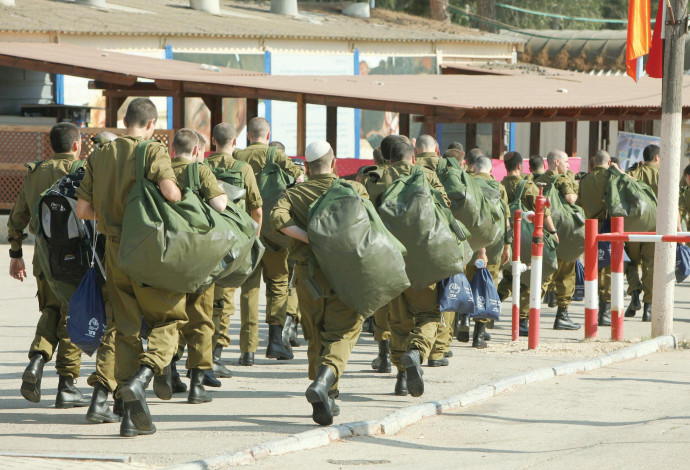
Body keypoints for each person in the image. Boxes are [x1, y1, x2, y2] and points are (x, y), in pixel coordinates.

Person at [75, 97, 187, 437]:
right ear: (151, 124)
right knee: (169, 318)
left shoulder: (100, 154)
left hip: (114, 252)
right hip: (147, 251)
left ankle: (127, 415)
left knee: (124, 328)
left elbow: (83, 211)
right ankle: (143, 378)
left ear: (126, 121)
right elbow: (172, 193)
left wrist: (110, 218)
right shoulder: (152, 151)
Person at [271, 140, 368, 426]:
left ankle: (327, 395)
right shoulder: (353, 189)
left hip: (308, 277)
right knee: (344, 333)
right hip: (345, 275)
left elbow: (277, 219)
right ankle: (325, 384)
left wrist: (309, 237)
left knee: (315, 334)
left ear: (308, 167)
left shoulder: (295, 193)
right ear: (334, 162)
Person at [8, 122, 91, 409]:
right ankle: (67, 385)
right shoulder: (82, 170)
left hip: (42, 258)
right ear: (77, 145)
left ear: (50, 146)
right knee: (72, 318)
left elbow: (18, 216)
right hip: (75, 260)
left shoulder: (36, 172)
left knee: (51, 311)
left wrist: (15, 254)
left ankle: (37, 361)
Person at [378, 141, 450, 397]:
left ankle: (400, 378)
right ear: (414, 156)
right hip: (425, 262)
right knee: (429, 315)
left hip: (390, 261)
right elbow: (445, 208)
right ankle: (416, 352)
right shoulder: (427, 176)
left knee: (397, 321)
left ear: (389, 160)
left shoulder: (376, 178)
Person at [233, 117, 304, 365]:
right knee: (278, 286)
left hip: (248, 233)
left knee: (249, 290)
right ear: (268, 133)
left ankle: (247, 350)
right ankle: (275, 342)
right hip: (277, 234)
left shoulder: (237, 156)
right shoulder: (276, 154)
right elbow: (300, 178)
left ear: (248, 135)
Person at [170, 129, 228, 404]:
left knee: (170, 315)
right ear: (195, 151)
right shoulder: (200, 170)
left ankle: (168, 372)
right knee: (201, 318)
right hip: (199, 254)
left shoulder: (160, 170)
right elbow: (219, 205)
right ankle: (197, 384)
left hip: (166, 253)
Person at [204, 123, 263, 378]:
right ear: (236, 141)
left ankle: (202, 353)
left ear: (212, 140)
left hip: (206, 238)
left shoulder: (202, 166)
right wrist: (253, 239)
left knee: (204, 299)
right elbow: (257, 209)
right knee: (225, 300)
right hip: (234, 242)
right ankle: (215, 355)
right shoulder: (243, 168)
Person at [501, 151, 559, 336]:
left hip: (507, 240)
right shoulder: (526, 185)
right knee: (531, 279)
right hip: (527, 240)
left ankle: (489, 305)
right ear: (520, 166)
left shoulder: (500, 185)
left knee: (510, 277)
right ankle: (523, 320)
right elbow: (543, 210)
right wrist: (553, 232)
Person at [532, 150, 581, 331]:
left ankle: (527, 316)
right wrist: (575, 186)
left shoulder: (537, 180)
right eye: (566, 162)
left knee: (542, 276)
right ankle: (562, 315)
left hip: (540, 234)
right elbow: (570, 198)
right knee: (566, 275)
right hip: (561, 233)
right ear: (557, 162)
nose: (569, 166)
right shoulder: (561, 179)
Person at [465, 155, 510, 347]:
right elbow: (506, 220)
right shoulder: (498, 187)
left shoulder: (466, 183)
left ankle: (462, 322)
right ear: (491, 170)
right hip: (493, 245)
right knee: (486, 285)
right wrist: (507, 246)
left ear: (474, 168)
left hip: (468, 243)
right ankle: (479, 335)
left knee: (466, 283)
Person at [625, 144, 660, 322]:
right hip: (653, 227)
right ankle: (648, 308)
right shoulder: (661, 174)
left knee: (631, 263)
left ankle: (635, 295)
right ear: (656, 158)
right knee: (649, 265)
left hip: (632, 225)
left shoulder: (634, 173)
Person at [578, 150, 613, 327]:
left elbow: (578, 203)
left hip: (589, 227)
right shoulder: (612, 177)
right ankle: (605, 312)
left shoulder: (584, 180)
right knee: (607, 266)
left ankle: (594, 306)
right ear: (608, 163)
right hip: (608, 226)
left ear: (593, 163)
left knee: (593, 266)